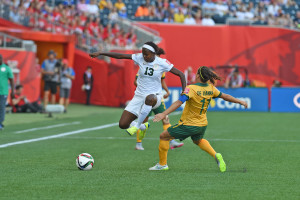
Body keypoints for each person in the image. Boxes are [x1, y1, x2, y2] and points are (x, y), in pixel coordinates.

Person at [149, 66, 248, 171]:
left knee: (164, 136)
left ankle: (162, 164)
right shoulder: (211, 88)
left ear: (197, 76)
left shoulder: (191, 88)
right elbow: (225, 96)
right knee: (198, 140)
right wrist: (240, 101)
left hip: (189, 124)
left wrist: (163, 113)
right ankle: (216, 155)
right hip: (202, 124)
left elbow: (179, 102)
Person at [89, 41, 186, 137]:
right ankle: (143, 126)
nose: (144, 56)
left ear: (153, 53)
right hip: (139, 96)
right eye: (143, 54)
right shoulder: (139, 57)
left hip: (155, 97)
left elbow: (180, 74)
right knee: (123, 124)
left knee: (149, 98)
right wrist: (101, 53)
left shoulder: (162, 62)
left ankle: (137, 126)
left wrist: (184, 90)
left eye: (147, 54)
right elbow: (120, 56)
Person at [134, 71, 183, 150]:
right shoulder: (144, 66)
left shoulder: (160, 67)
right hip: (147, 98)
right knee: (144, 122)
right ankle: (138, 143)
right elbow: (135, 81)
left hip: (158, 98)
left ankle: (172, 141)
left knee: (165, 117)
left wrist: (167, 91)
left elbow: (162, 81)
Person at [0, 54, 14, 130]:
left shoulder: (6, 68)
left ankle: (0, 123)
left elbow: (11, 80)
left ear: (1, 59)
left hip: (3, 92)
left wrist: (12, 91)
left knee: (1, 107)